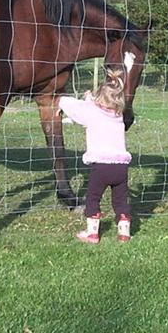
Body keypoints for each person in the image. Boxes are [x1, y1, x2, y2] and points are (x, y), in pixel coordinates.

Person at [57, 69, 133, 243]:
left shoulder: (91, 113)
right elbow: (99, 107)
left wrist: (60, 100)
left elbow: (76, 109)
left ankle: (92, 234)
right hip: (121, 168)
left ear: (98, 100)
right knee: (121, 201)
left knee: (93, 198)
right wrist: (91, 100)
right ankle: (124, 233)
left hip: (101, 167)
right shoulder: (118, 115)